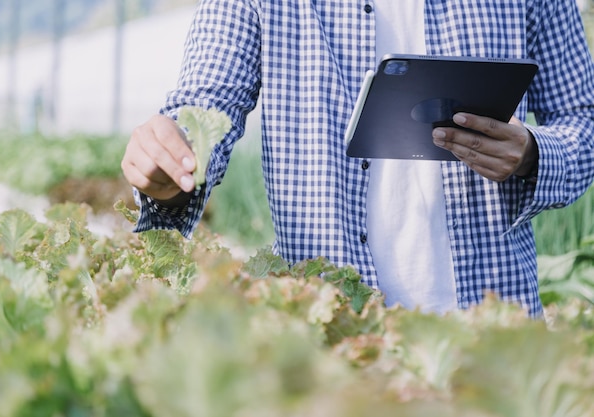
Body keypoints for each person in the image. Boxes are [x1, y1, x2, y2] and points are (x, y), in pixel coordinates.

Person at [121, 0, 594, 317]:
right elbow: (205, 107)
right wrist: (172, 157)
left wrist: (533, 151)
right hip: (330, 330)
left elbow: (582, 117)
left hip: (491, 323)